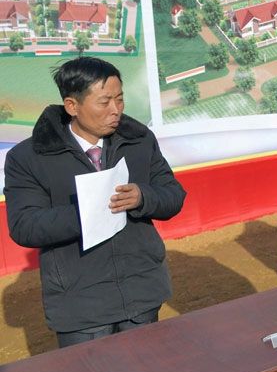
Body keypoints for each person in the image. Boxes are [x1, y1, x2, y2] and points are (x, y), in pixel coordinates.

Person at [3, 57, 186, 347]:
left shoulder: (139, 140)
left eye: (120, 99)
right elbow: (25, 226)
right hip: (81, 306)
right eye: (104, 102)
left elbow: (173, 195)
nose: (116, 110)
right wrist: (88, 211)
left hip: (142, 292)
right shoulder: (29, 158)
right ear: (72, 106)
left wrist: (142, 196)